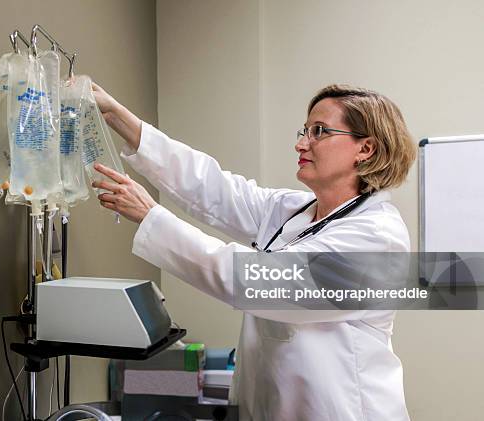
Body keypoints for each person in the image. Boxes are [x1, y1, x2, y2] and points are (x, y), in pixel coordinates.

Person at [91, 83, 416, 421]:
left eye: (319, 131)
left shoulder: (377, 238)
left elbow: (256, 281)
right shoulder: (296, 211)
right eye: (305, 130)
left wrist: (151, 216)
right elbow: (212, 187)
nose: (301, 143)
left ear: (365, 148)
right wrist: (113, 112)